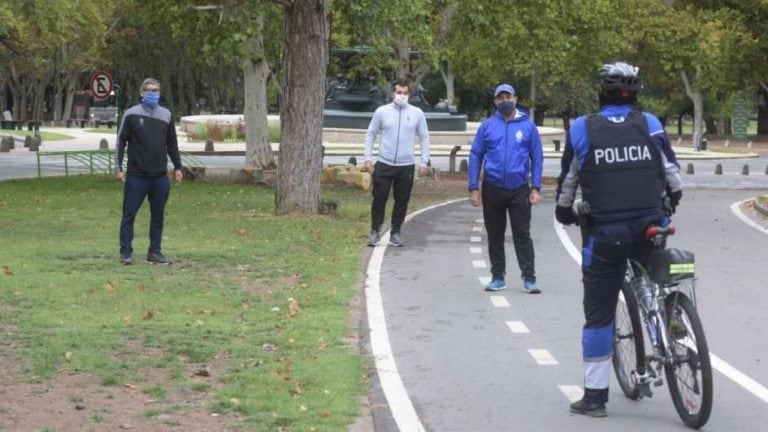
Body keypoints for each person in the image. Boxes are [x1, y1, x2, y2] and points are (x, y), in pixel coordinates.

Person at [555, 62, 683, 417]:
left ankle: (595, 399)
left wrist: (564, 212)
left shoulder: (583, 128)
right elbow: (671, 173)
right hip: (649, 226)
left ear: (601, 92)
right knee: (656, 278)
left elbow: (568, 181)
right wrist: (672, 200)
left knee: (598, 315)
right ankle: (673, 326)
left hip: (606, 234)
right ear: (636, 94)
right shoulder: (650, 123)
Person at [468, 83, 544, 294]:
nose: (504, 102)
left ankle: (529, 278)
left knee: (522, 234)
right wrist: (473, 187)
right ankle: (498, 276)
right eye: (500, 98)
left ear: (516, 99)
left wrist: (535, 187)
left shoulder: (527, 126)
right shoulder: (487, 126)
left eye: (508, 97)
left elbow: (536, 157)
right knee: (495, 234)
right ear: (495, 102)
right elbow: (476, 155)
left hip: (519, 188)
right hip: (492, 187)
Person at [115, 78, 183, 265]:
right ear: (142, 93)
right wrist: (118, 167)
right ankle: (126, 251)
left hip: (159, 176)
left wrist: (178, 166)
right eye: (148, 90)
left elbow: (172, 143)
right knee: (129, 215)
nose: (152, 93)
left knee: (158, 216)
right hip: (137, 176)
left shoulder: (166, 115)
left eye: (156, 90)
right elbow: (121, 142)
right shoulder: (131, 115)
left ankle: (154, 252)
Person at [363, 79, 430, 247]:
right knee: (379, 198)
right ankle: (375, 230)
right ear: (393, 93)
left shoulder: (417, 113)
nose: (402, 96)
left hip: (405, 165)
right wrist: (368, 157)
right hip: (384, 163)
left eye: (405, 93)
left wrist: (423, 161)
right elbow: (371, 133)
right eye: (399, 92)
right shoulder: (382, 112)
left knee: (402, 201)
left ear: (409, 94)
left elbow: (424, 137)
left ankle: (396, 232)